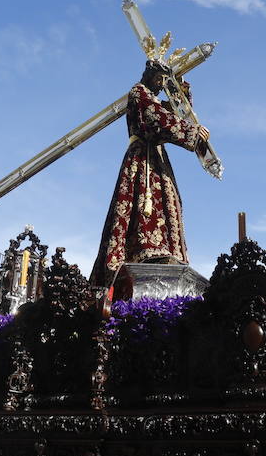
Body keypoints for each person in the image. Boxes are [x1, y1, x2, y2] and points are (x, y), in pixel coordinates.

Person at [89, 60, 211, 287]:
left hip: (155, 157)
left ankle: (165, 250)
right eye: (159, 78)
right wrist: (192, 133)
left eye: (164, 81)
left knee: (167, 202)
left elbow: (176, 112)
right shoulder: (138, 93)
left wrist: (181, 92)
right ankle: (146, 249)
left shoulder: (152, 97)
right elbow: (157, 119)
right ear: (150, 75)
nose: (160, 84)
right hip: (141, 159)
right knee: (144, 204)